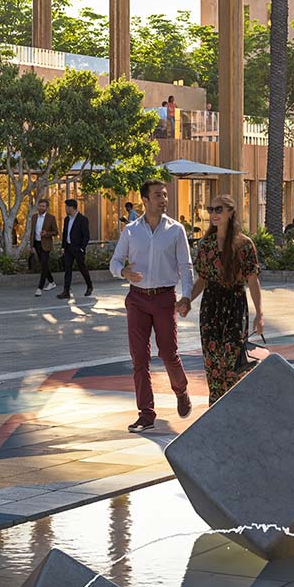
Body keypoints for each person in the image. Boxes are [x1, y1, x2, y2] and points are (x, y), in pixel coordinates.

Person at [110, 178, 195, 431]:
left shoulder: (176, 230)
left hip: (164, 298)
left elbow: (185, 266)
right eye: (158, 195)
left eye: (165, 195)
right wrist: (123, 272)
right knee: (139, 358)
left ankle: (181, 391)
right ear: (145, 200)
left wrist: (187, 296)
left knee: (168, 353)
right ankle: (146, 413)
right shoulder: (131, 231)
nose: (164, 200)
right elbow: (114, 263)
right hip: (136, 299)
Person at [186, 193, 262, 402]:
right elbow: (202, 279)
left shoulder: (244, 244)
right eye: (211, 210)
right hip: (210, 305)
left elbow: (253, 280)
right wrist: (186, 300)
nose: (213, 214)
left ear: (230, 212)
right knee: (212, 361)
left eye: (219, 209)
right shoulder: (206, 245)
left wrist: (259, 314)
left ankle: (234, 404)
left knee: (231, 358)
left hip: (235, 304)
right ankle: (216, 405)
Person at [60, 198, 92, 298]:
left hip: (78, 249)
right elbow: (65, 233)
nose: (65, 209)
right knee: (67, 269)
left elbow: (86, 236)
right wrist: (63, 246)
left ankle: (89, 286)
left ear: (72, 208)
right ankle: (66, 291)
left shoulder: (82, 219)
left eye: (66, 207)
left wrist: (82, 248)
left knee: (82, 268)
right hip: (68, 248)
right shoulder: (66, 219)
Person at [28, 199, 57, 295]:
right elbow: (32, 232)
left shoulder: (51, 218)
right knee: (43, 264)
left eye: (43, 206)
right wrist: (31, 246)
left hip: (46, 244)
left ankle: (39, 288)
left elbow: (56, 232)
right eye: (40, 206)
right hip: (37, 243)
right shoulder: (34, 217)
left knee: (44, 263)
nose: (41, 208)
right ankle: (52, 282)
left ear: (47, 207)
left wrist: (47, 233)